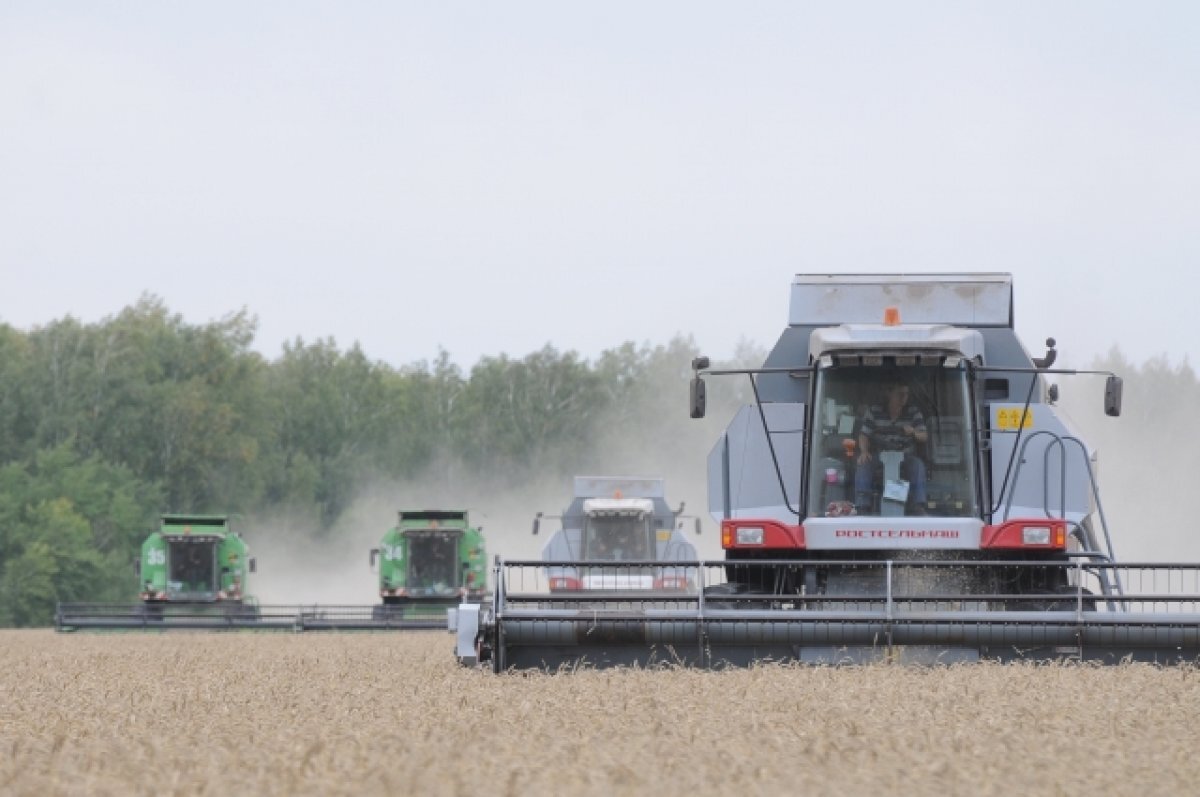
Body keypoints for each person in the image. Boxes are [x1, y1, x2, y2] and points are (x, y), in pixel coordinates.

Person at [854, 382, 928, 515]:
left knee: (918, 465)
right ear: (889, 394)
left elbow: (924, 436)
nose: (904, 398)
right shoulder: (874, 411)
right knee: (863, 465)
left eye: (906, 394)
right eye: (900, 394)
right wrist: (864, 452)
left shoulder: (913, 412)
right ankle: (862, 507)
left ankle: (918, 506)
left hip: (905, 456)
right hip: (880, 456)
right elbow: (864, 434)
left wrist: (913, 432)